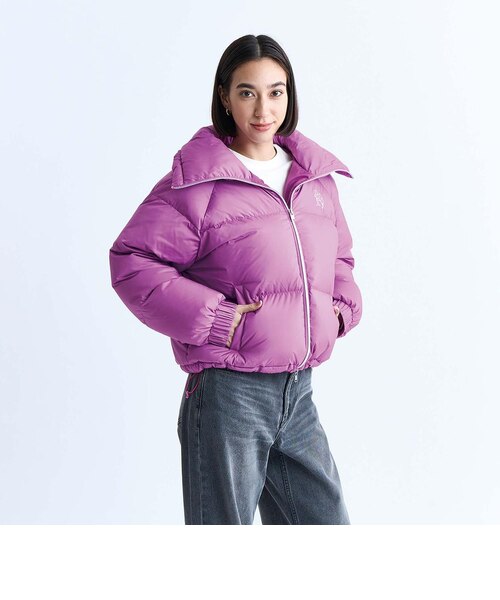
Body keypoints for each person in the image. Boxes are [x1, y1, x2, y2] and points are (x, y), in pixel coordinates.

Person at [109, 34, 362, 525]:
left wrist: (338, 313)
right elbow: (132, 261)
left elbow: (340, 260)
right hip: (229, 396)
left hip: (298, 393)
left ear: (289, 95)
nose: (263, 109)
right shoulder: (198, 182)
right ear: (225, 97)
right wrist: (218, 320)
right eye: (247, 92)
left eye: (275, 92)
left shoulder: (314, 178)